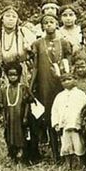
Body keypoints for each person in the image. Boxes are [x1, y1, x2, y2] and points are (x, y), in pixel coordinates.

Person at [31, 13, 71, 162]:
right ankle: (55, 154)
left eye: (51, 22)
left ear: (57, 24)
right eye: (46, 22)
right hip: (45, 84)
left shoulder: (64, 43)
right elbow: (35, 66)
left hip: (61, 84)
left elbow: (68, 64)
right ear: (42, 26)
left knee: (64, 114)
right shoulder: (38, 44)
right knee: (49, 117)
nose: (49, 25)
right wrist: (32, 85)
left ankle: (67, 151)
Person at [51, 61, 86, 171]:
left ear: (75, 80)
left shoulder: (81, 95)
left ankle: (83, 166)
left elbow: (85, 109)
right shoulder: (59, 96)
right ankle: (68, 165)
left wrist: (82, 123)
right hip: (65, 126)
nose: (66, 82)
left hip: (76, 126)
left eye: (69, 79)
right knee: (66, 147)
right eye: (63, 80)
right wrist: (56, 123)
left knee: (79, 147)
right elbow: (55, 111)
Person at [0, 63, 39, 164]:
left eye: (15, 75)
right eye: (10, 75)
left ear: (19, 75)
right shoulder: (4, 90)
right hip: (10, 118)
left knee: (22, 136)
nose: (12, 77)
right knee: (10, 136)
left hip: (21, 118)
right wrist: (4, 118)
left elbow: (28, 103)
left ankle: (24, 156)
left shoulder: (23, 88)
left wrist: (25, 117)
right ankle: (13, 156)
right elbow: (2, 105)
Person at [0, 6, 35, 85]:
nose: (11, 19)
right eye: (7, 16)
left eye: (14, 17)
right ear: (2, 19)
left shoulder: (24, 33)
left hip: (24, 71)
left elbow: (35, 51)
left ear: (17, 20)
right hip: (7, 72)